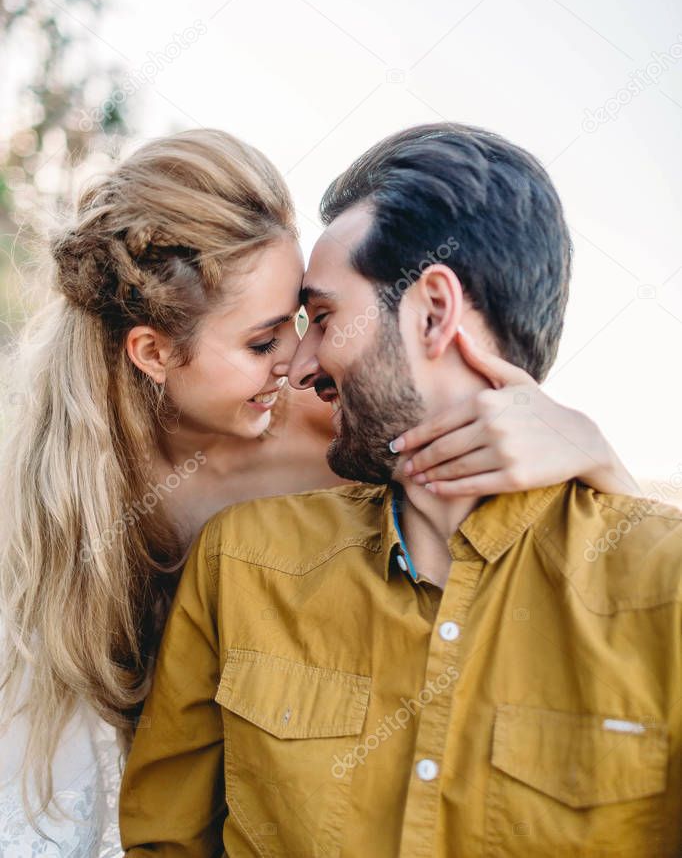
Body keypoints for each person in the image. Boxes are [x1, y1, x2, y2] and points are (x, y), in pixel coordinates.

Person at [0, 128, 636, 856]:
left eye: (306, 321)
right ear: (152, 352)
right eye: (262, 342)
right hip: (129, 750)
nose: (298, 364)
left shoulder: (334, 428)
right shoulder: (68, 484)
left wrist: (596, 455)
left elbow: (457, 420)